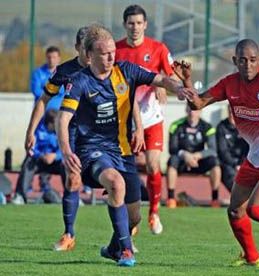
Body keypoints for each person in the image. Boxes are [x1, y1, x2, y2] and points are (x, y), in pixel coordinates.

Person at [56, 23, 184, 267]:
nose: (111, 56)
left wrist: (179, 88)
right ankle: (126, 251)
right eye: (104, 53)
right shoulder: (79, 81)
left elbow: (159, 79)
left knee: (134, 217)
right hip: (92, 151)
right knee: (116, 183)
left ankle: (113, 248)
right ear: (90, 55)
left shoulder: (125, 71)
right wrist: (65, 150)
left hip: (123, 152)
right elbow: (63, 119)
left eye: (113, 51)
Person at [176, 39, 259, 268]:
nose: (248, 65)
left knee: (257, 209)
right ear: (235, 61)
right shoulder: (230, 84)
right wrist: (187, 81)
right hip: (255, 157)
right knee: (235, 211)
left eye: (252, 60)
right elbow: (198, 104)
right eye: (242, 60)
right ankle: (252, 258)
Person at [25, 26, 90, 252]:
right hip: (72, 132)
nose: (91, 53)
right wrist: (31, 130)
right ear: (78, 48)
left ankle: (124, 236)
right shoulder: (65, 71)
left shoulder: (108, 68)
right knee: (73, 178)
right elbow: (42, 99)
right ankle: (69, 233)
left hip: (102, 134)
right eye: (86, 48)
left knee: (118, 184)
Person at [116, 4, 175, 234]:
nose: (135, 27)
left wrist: (163, 87)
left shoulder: (158, 48)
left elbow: (170, 76)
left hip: (151, 118)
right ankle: (131, 218)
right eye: (131, 23)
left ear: (145, 25)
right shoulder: (117, 50)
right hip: (125, 121)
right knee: (125, 172)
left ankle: (154, 212)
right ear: (125, 25)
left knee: (153, 164)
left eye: (139, 23)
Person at [166, 105, 221, 208]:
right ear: (186, 109)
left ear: (200, 111)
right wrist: (185, 155)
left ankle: (215, 199)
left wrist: (198, 155)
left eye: (195, 110)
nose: (192, 113)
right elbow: (172, 149)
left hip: (198, 161)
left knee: (215, 162)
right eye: (190, 109)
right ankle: (171, 198)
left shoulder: (207, 127)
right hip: (181, 160)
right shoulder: (176, 125)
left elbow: (213, 150)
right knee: (172, 160)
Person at [12, 109, 66, 204]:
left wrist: (55, 156)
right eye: (56, 123)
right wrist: (41, 156)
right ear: (50, 123)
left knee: (67, 164)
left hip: (55, 162)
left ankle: (72, 196)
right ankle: (20, 196)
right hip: (39, 161)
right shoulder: (37, 130)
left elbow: (66, 149)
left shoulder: (62, 130)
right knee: (28, 162)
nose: (59, 125)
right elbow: (31, 149)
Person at [31, 46, 63, 191]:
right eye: (49, 57)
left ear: (59, 58)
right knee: (39, 143)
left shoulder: (63, 73)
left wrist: (49, 91)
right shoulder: (38, 73)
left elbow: (65, 92)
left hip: (59, 117)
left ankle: (79, 187)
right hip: (43, 117)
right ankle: (33, 186)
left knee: (64, 144)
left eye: (54, 57)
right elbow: (38, 93)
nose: (51, 60)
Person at [216, 105, 249, 192]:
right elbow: (222, 150)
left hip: (243, 161)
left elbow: (248, 148)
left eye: (233, 112)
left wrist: (241, 163)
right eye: (230, 112)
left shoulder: (245, 126)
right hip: (228, 163)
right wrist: (235, 164)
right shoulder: (221, 127)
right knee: (230, 174)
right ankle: (239, 199)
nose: (231, 114)